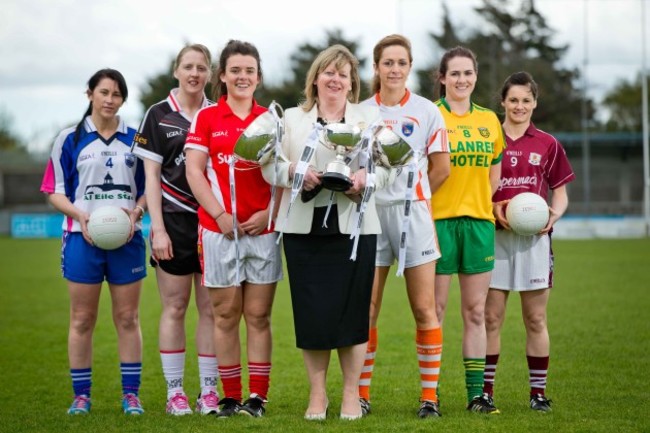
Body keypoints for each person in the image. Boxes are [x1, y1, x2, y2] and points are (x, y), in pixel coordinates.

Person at [261, 44, 393, 421]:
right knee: (312, 314)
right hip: (303, 228)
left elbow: (391, 167)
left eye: (343, 73)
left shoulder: (369, 118)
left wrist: (367, 179)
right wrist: (294, 174)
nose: (335, 79)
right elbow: (269, 166)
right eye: (328, 72)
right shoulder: (290, 119)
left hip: (355, 228)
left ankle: (351, 395)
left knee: (354, 313)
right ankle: (317, 394)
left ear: (352, 82)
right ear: (315, 79)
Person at [40, 69, 147, 415]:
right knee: (82, 319)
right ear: (90, 94)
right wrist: (80, 215)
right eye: (103, 92)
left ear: (122, 100)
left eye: (117, 94)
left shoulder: (137, 138)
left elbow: (150, 188)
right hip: (81, 238)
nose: (109, 99)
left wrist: (137, 211)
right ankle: (81, 396)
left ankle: (131, 395)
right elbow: (53, 192)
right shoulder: (68, 139)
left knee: (128, 318)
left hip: (127, 239)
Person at [185, 39, 282, 418]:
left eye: (250, 71)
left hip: (262, 231)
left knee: (258, 316)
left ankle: (257, 398)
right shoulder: (207, 118)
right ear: (221, 76)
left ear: (258, 78)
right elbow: (194, 171)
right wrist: (220, 214)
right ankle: (229, 397)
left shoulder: (271, 121)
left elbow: (283, 179)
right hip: (217, 230)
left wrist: (268, 214)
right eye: (235, 70)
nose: (243, 77)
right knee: (225, 315)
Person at [358, 34, 450, 419]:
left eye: (401, 63)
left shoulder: (428, 110)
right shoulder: (360, 111)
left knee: (424, 307)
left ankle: (429, 398)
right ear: (377, 68)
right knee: (368, 307)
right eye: (387, 63)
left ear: (410, 67)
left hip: (414, 214)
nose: (394, 69)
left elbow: (441, 168)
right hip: (371, 214)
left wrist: (417, 193)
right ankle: (360, 396)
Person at [131, 44, 219, 415]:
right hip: (173, 224)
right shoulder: (158, 113)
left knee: (211, 310)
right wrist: (158, 229)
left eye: (201, 67)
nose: (195, 73)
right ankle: (175, 393)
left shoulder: (218, 113)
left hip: (211, 224)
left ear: (210, 74)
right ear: (176, 71)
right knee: (175, 306)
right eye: (188, 67)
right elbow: (150, 177)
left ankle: (209, 392)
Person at [484, 71, 575, 412]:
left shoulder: (548, 143)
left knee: (535, 320)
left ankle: (538, 394)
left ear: (534, 103)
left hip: (535, 243)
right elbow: (478, 186)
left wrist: (555, 215)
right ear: (503, 102)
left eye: (526, 100)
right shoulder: (490, 138)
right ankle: (486, 392)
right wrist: (491, 208)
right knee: (491, 319)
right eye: (513, 100)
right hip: (495, 238)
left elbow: (560, 193)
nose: (519, 106)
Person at [431, 46, 505, 414]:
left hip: (478, 225)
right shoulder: (432, 116)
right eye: (455, 73)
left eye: (468, 73)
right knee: (436, 311)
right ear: (442, 78)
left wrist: (479, 201)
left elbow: (495, 171)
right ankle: (431, 396)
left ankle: (477, 395)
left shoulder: (490, 120)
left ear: (476, 76)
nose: (462, 80)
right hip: (438, 223)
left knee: (476, 312)